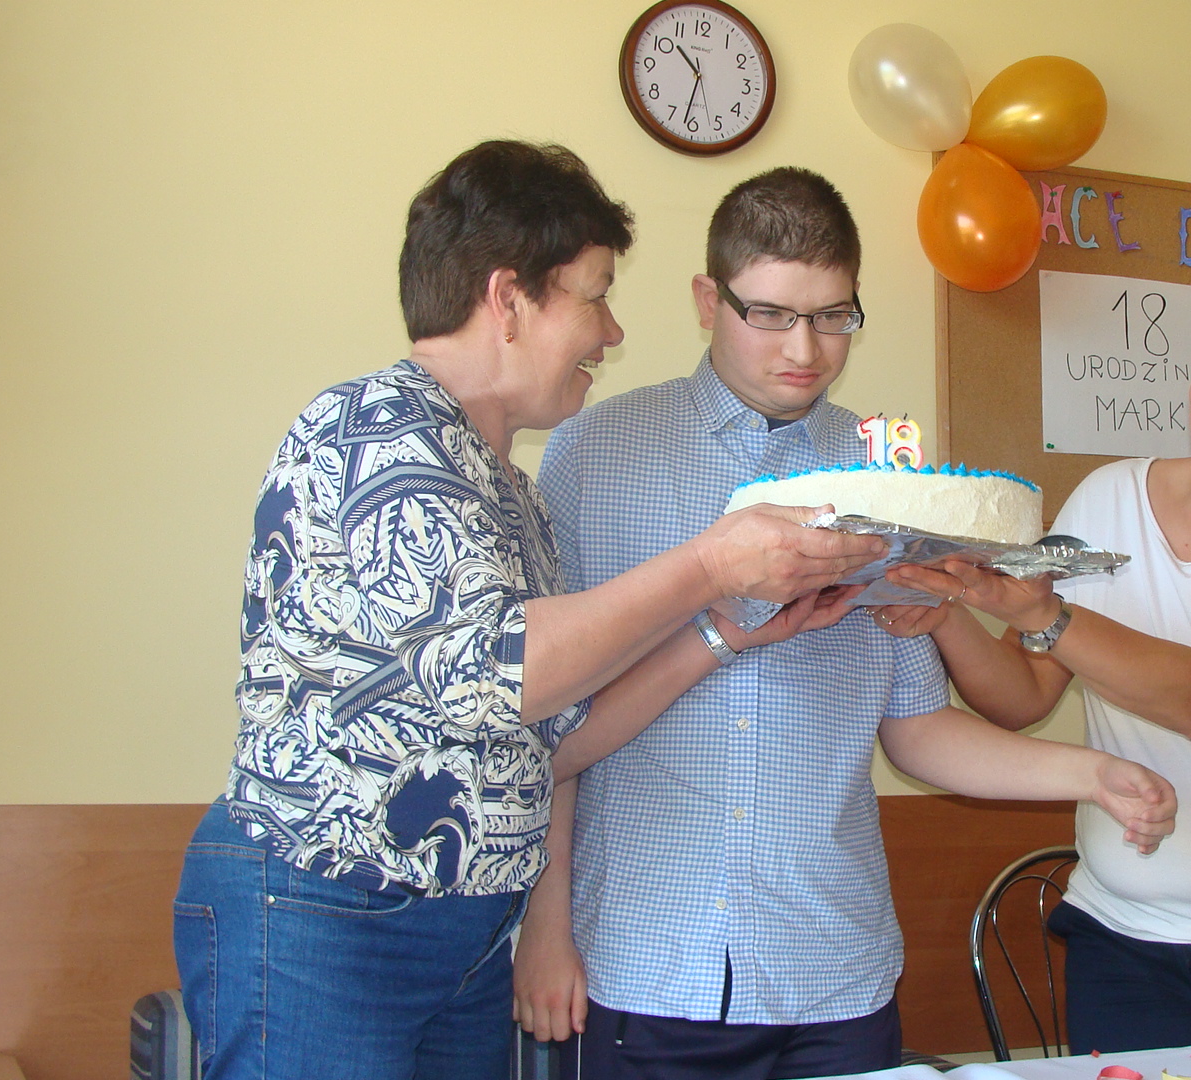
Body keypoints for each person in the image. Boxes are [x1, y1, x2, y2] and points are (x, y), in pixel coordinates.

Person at [171, 141, 895, 1080]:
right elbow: (506, 671)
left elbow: (564, 734)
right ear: (508, 301)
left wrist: (727, 633)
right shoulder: (377, 429)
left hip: (465, 923)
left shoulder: (509, 493)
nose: (611, 332)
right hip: (327, 908)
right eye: (594, 296)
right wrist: (712, 564)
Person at [516, 166, 1178, 1080]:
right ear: (709, 300)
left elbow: (916, 728)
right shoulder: (596, 452)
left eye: (834, 316)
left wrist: (1093, 773)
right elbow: (547, 726)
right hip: (645, 959)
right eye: (771, 314)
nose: (806, 348)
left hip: (835, 969)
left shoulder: (887, 478)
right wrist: (544, 927)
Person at [880, 275, 1191, 1054]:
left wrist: (1042, 614)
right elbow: (1022, 694)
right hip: (1124, 934)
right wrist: (951, 607)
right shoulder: (1108, 495)